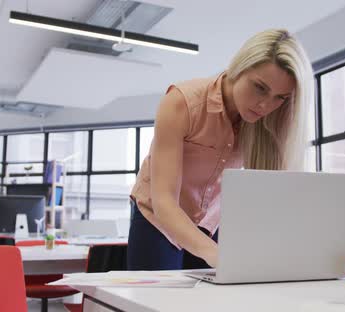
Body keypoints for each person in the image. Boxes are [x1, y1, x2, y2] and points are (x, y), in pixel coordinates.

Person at [127, 29, 314, 270]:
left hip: (209, 222)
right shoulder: (181, 103)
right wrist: (214, 254)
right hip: (157, 217)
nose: (265, 105)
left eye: (280, 97)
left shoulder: (270, 123)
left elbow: (272, 202)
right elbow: (164, 201)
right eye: (260, 87)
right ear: (239, 68)